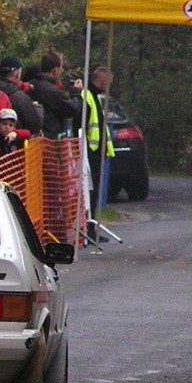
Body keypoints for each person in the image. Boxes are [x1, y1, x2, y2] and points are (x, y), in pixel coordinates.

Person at [82, 66, 116, 242]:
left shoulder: (94, 97)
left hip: (96, 153)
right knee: (90, 192)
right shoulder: (87, 97)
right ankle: (87, 229)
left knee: (94, 193)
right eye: (108, 82)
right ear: (102, 80)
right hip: (89, 154)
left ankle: (91, 228)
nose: (109, 85)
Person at [29, 50, 82, 139]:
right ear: (55, 70)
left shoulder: (32, 85)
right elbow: (72, 108)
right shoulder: (52, 91)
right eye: (61, 69)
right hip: (51, 139)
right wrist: (76, 92)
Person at [0, 56, 43, 136]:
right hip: (17, 143)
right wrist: (38, 108)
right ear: (17, 74)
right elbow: (35, 126)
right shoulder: (19, 97)